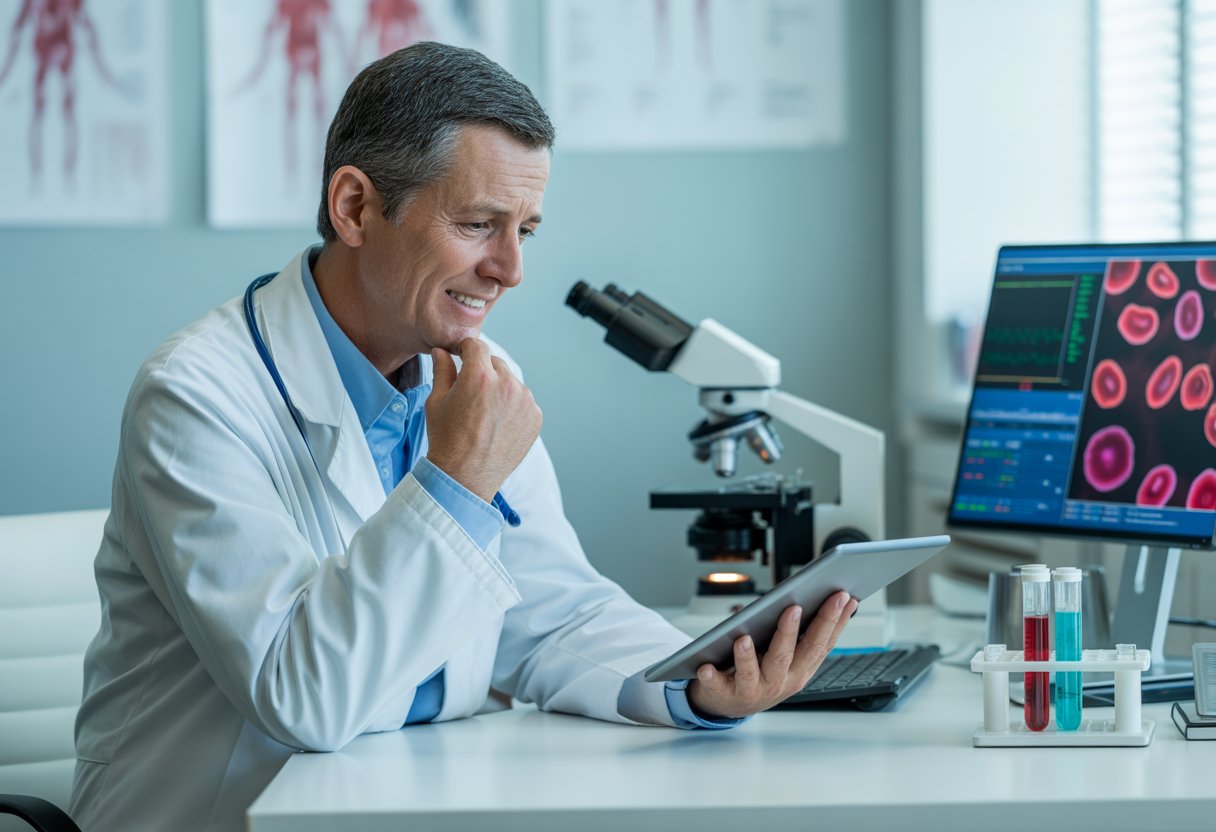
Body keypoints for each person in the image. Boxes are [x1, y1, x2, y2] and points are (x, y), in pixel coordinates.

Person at [70, 42, 858, 832]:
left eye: (527, 230)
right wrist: (453, 482)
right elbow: (302, 697)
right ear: (354, 208)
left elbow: (552, 615)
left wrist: (692, 682)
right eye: (478, 224)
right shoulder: (195, 396)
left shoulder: (480, 377)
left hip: (405, 802)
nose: (510, 269)